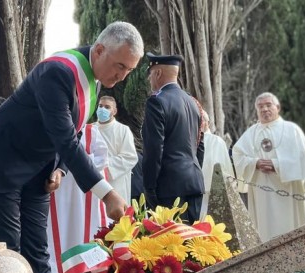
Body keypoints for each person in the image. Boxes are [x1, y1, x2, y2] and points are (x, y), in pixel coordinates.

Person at [0, 21, 143, 273]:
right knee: (10, 247)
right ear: (98, 51)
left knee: (38, 247)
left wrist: (60, 168)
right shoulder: (58, 72)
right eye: (120, 66)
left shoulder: (93, 84)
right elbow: (64, 138)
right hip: (4, 158)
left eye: (129, 70)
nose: (122, 77)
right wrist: (107, 194)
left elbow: (72, 133)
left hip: (39, 166)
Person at [232, 92, 305, 242]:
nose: (265, 109)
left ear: (278, 107)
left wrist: (278, 165)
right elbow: (238, 154)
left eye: (269, 105)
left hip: (288, 190)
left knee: (290, 230)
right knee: (265, 232)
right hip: (262, 191)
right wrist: (255, 163)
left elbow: (302, 157)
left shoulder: (292, 130)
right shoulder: (251, 132)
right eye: (260, 106)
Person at [142, 52, 204, 224]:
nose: (150, 80)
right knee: (192, 246)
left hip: (168, 188)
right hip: (194, 183)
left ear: (158, 73)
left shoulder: (156, 102)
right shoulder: (193, 103)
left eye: (151, 74)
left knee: (170, 246)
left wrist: (149, 187)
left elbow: (154, 149)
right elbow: (200, 145)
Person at [47, 124, 108, 273]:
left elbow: (102, 159)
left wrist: (79, 162)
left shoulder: (90, 131)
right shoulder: (50, 129)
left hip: (83, 194)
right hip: (57, 195)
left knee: (84, 230)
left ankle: (90, 272)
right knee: (57, 233)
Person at [94, 95, 138, 205]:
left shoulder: (123, 130)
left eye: (107, 107)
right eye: (100, 106)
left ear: (114, 111)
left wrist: (104, 167)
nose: (102, 109)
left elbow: (130, 157)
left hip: (116, 182)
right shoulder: (90, 129)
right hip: (94, 182)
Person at [197, 103, 235, 219]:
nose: (198, 123)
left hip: (211, 195)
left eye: (201, 120)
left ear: (207, 123)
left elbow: (222, 169)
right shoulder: (189, 141)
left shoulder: (216, 141)